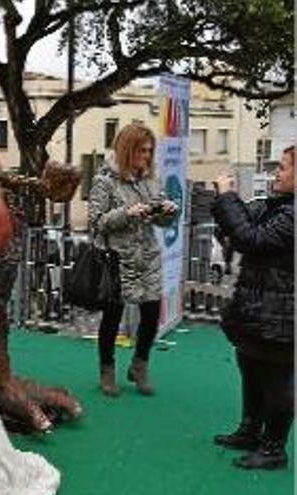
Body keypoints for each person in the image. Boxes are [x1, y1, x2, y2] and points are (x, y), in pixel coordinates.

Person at [211, 145, 294, 470]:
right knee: (251, 365)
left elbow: (251, 239)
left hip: (282, 313)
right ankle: (250, 430)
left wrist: (228, 198)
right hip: (260, 306)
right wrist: (226, 212)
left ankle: (274, 448)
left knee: (276, 378)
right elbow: (241, 228)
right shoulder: (278, 206)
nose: (277, 172)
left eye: (284, 167)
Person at [88, 123, 178, 397]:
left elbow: (162, 221)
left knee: (152, 314)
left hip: (147, 255)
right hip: (117, 258)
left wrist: (168, 212)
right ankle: (107, 371)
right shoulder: (104, 181)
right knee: (112, 318)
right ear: (128, 150)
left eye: (150, 151)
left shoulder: (151, 180)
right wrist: (127, 213)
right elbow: (96, 221)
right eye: (142, 150)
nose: (147, 156)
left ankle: (140, 365)